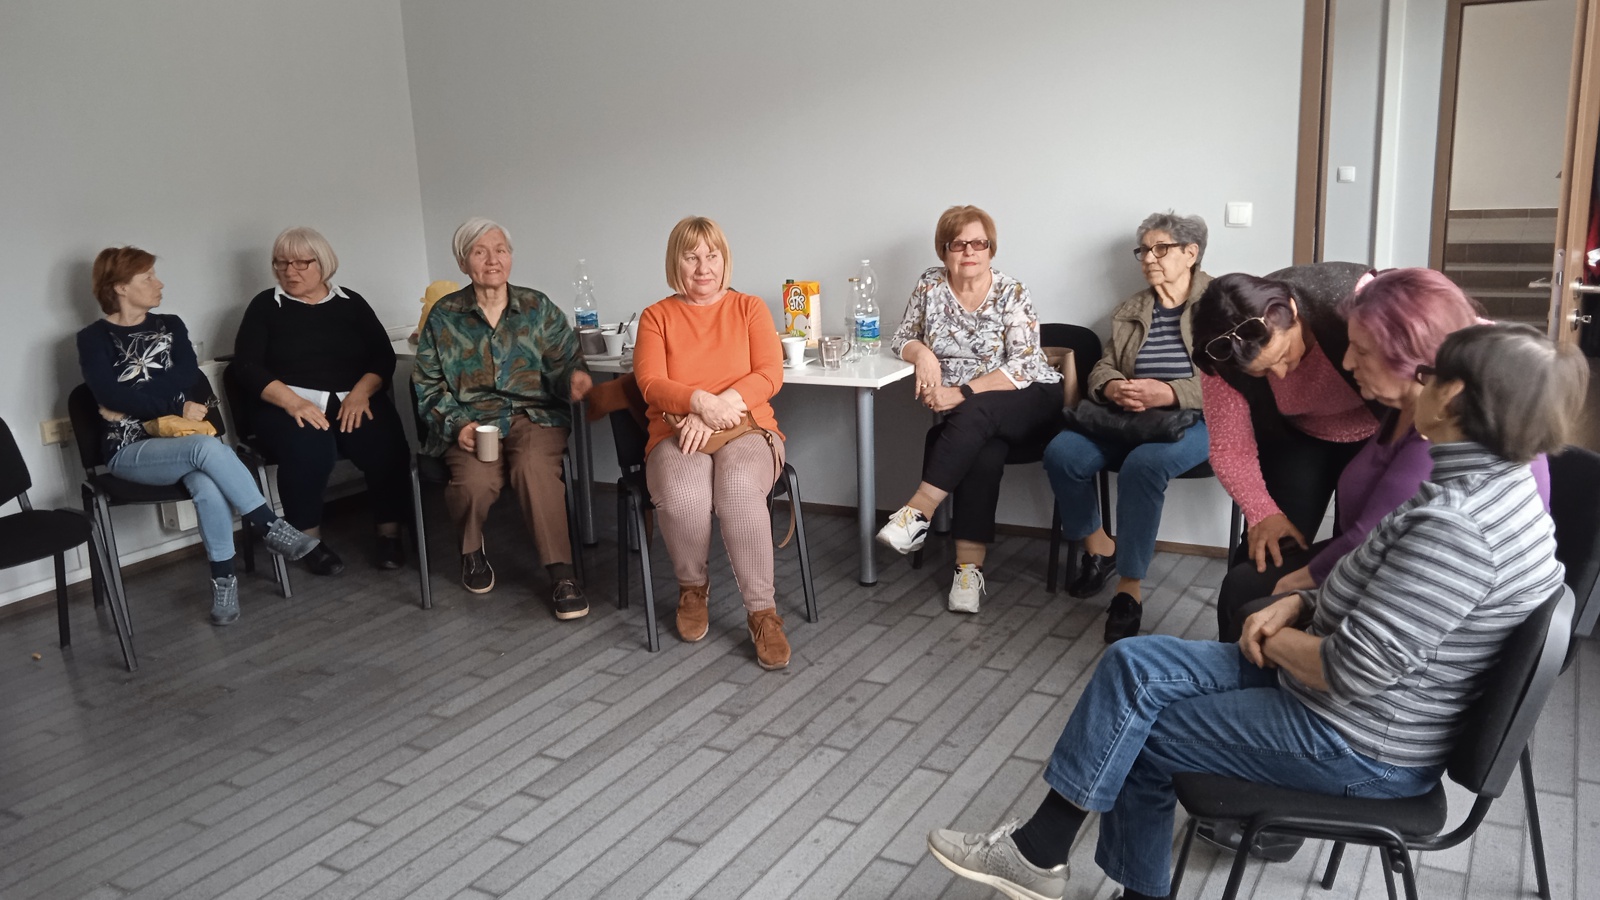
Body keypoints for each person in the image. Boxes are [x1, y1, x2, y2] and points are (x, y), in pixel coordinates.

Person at [926, 323, 1586, 900]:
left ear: (1459, 397)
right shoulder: (1488, 484)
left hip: (1361, 742)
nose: (1417, 383)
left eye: (1430, 375)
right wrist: (1300, 600)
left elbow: (1351, 670)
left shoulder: (1458, 528)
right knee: (1132, 663)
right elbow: (1382, 587)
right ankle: (1039, 853)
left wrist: (1268, 637)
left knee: (1140, 732)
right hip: (1353, 702)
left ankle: (1067, 865)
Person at [1214, 267, 1550, 643]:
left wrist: (1294, 591)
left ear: (1411, 354)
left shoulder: (1445, 428)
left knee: (1252, 601)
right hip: (1380, 561)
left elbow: (1371, 541)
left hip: (1422, 595)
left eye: (1360, 350)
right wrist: (1264, 515)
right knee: (1246, 584)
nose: (1345, 363)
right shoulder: (1405, 401)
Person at [76, 247, 320, 626]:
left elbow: (187, 374)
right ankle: (270, 526)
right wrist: (172, 404)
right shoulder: (94, 338)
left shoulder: (170, 325)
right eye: (148, 278)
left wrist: (133, 398)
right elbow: (109, 395)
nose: (159, 284)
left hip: (183, 445)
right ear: (120, 287)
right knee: (207, 448)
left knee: (206, 483)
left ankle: (224, 583)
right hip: (128, 449)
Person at [876, 205, 1064, 613]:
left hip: (1030, 396)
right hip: (975, 419)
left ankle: (917, 512)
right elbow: (902, 337)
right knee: (983, 451)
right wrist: (923, 353)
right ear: (943, 250)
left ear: (991, 249)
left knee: (974, 413)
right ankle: (967, 572)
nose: (969, 252)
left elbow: (1023, 365)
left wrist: (961, 392)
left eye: (979, 243)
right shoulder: (930, 285)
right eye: (958, 244)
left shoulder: (1011, 291)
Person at [1042, 211, 1212, 643]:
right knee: (1062, 453)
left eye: (1161, 249)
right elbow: (1104, 366)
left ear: (1191, 253)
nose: (1148, 258)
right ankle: (1100, 548)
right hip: (1129, 419)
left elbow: (1235, 379)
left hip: (1195, 421)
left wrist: (1169, 393)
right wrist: (1113, 386)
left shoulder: (1222, 305)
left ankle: (1128, 591)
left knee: (1143, 466)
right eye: (1144, 250)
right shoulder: (1131, 309)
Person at [412, 218, 592, 618]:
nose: (493, 260)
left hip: (534, 415)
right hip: (472, 420)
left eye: (501, 250)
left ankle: (561, 574)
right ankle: (471, 550)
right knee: (475, 482)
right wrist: (457, 425)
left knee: (533, 469)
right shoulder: (443, 316)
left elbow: (564, 360)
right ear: (463, 263)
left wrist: (573, 379)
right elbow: (427, 384)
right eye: (480, 252)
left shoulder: (537, 307)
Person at [633, 216, 791, 670]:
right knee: (684, 494)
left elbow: (770, 374)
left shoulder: (750, 308)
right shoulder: (656, 316)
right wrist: (699, 403)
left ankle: (762, 613)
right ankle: (692, 588)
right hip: (678, 429)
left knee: (738, 489)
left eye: (712, 255)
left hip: (748, 426)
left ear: (725, 260)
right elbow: (650, 382)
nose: (703, 267)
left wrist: (718, 406)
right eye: (691, 257)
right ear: (675, 263)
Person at [230, 226, 412, 576]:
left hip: (351, 398)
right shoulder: (265, 306)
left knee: (385, 442)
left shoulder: (351, 302)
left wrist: (361, 393)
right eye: (281, 263)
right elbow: (247, 367)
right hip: (285, 404)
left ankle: (389, 533)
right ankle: (307, 541)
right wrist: (294, 403)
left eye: (301, 263)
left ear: (323, 263)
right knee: (310, 447)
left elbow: (382, 357)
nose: (290, 271)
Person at [1190, 263, 1385, 577]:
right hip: (1298, 437)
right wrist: (1262, 512)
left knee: (1361, 555)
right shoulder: (1222, 354)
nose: (1280, 374)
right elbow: (1230, 447)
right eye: (1263, 372)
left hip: (1380, 434)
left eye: (1282, 355)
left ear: (1293, 311)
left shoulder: (1355, 298)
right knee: (1265, 559)